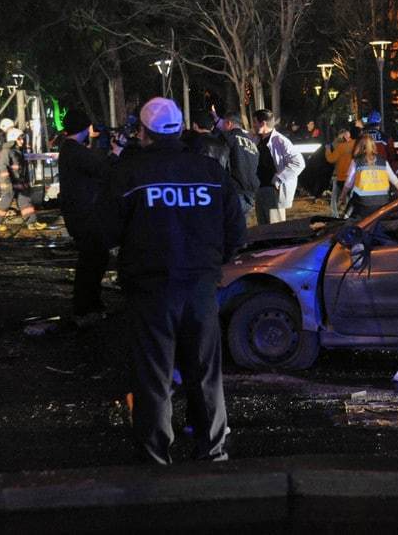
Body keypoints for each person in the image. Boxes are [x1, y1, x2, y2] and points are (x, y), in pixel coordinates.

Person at [98, 97, 246, 464]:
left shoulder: (129, 174)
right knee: (205, 373)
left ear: (143, 132)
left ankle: (156, 458)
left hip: (150, 290)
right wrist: (212, 265)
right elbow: (236, 231)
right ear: (180, 129)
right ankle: (212, 450)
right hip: (200, 287)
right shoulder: (210, 173)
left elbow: (104, 232)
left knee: (154, 376)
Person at [58, 109, 111, 326]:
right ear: (83, 128)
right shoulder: (75, 152)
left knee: (92, 260)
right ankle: (85, 307)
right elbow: (101, 168)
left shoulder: (69, 150)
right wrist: (114, 152)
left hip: (79, 214)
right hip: (85, 215)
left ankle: (89, 305)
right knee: (93, 261)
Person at [252, 109, 305, 224]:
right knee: (263, 228)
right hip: (260, 189)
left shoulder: (281, 141)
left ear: (263, 123)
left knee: (276, 230)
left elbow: (299, 163)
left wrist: (279, 178)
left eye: (255, 122)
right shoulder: (257, 139)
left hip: (273, 191)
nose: (253, 125)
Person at [339, 134, 398, 219]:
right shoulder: (383, 161)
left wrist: (343, 196)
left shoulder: (356, 161)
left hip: (362, 204)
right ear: (373, 145)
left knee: (348, 216)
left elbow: (349, 183)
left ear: (359, 146)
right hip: (383, 203)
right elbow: (394, 179)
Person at [0, 128, 46, 231]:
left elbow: (20, 170)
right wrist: (7, 184)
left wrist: (24, 182)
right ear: (13, 140)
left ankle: (32, 223)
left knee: (25, 201)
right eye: (19, 139)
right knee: (6, 201)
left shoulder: (18, 151)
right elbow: (3, 168)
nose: (22, 141)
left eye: (22, 139)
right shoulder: (6, 152)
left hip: (18, 182)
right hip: (9, 183)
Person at [216, 112, 259, 218]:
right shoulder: (251, 142)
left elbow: (220, 162)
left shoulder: (228, 138)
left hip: (235, 192)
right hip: (251, 194)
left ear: (229, 123)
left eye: (224, 124)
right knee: (241, 229)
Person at [325, 128, 355, 218]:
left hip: (340, 176)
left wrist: (327, 149)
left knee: (334, 197)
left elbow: (331, 159)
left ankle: (335, 215)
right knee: (350, 197)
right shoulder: (355, 144)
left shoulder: (340, 146)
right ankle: (349, 214)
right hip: (352, 176)